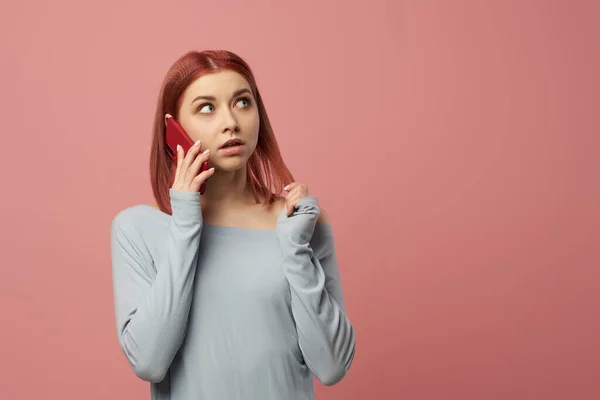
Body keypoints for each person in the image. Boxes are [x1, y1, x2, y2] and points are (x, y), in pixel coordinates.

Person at [110, 49, 356, 399]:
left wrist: (295, 249)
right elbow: (149, 361)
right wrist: (185, 223)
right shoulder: (137, 228)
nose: (231, 122)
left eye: (242, 102)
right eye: (207, 107)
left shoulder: (296, 222)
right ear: (172, 128)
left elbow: (332, 366)